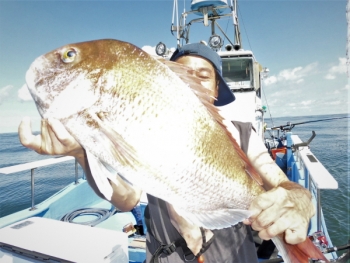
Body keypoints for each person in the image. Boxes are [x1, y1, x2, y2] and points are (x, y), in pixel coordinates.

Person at [18, 43, 315, 263]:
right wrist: (81, 155)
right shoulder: (147, 127)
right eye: (184, 72)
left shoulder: (242, 132)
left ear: (215, 88)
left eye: (204, 74)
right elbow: (127, 200)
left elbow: (281, 182)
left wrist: (300, 201)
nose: (193, 78)